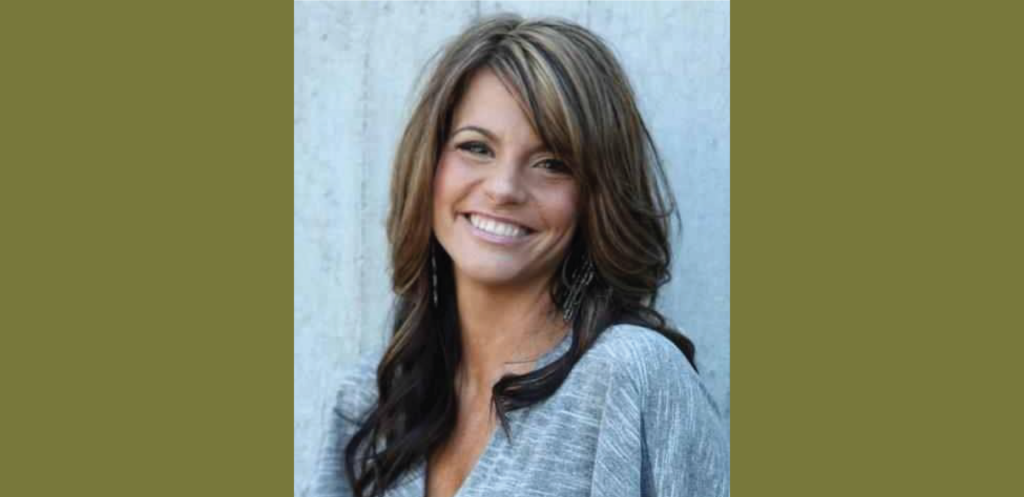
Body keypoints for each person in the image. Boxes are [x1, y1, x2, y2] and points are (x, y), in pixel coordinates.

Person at [314, 13, 729, 497]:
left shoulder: (632, 379)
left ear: (596, 195)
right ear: (428, 164)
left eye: (552, 163)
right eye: (476, 147)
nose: (504, 188)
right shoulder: (374, 401)